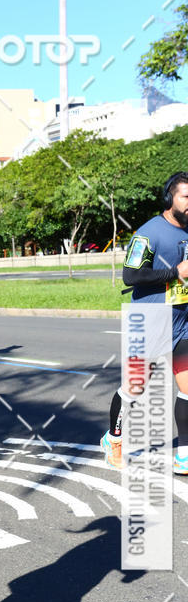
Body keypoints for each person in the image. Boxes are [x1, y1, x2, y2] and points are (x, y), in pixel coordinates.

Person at [101, 171, 188, 474]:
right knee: (135, 388)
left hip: (182, 321)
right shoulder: (149, 232)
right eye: (186, 197)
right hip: (150, 320)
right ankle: (113, 439)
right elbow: (131, 275)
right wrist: (175, 272)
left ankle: (184, 454)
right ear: (170, 198)